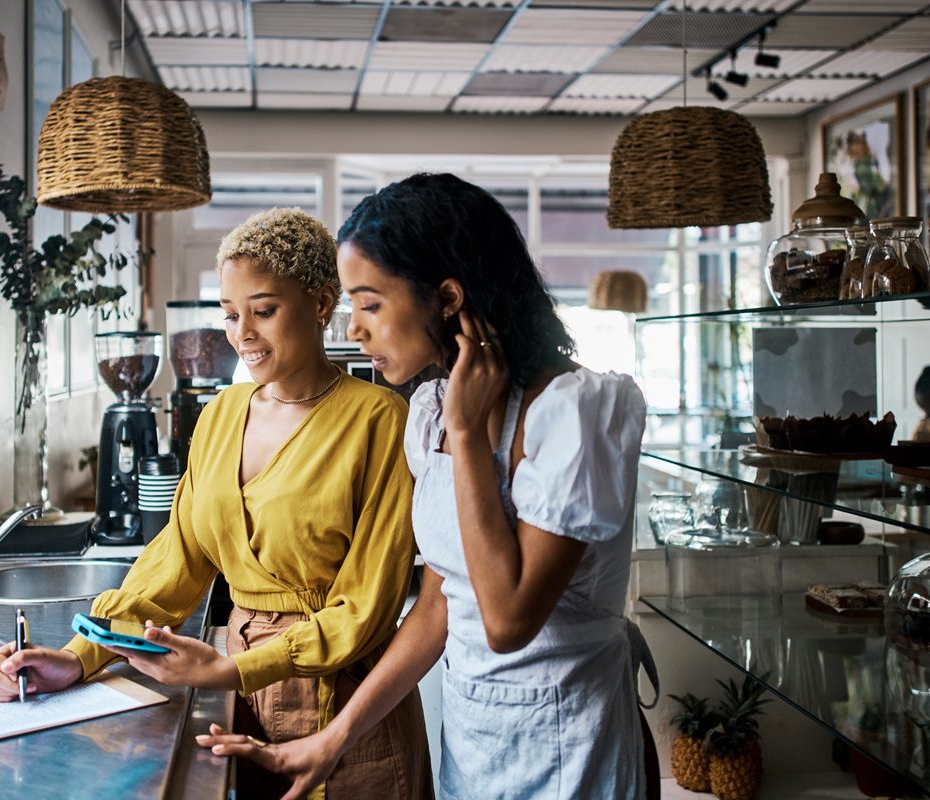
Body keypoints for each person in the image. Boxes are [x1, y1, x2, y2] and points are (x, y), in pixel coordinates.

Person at [203, 174, 659, 799]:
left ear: (445, 297)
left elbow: (507, 619)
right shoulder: (431, 410)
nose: (354, 329)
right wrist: (332, 741)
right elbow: (440, 606)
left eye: (370, 303)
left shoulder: (576, 411)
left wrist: (468, 436)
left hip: (569, 739)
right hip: (473, 739)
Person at [0, 208, 432, 800]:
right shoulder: (221, 415)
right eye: (229, 314)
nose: (241, 333)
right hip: (239, 699)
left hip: (346, 707)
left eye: (263, 311)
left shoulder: (379, 419)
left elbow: (366, 607)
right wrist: (82, 654)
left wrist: (233, 669)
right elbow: (176, 560)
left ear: (323, 302)